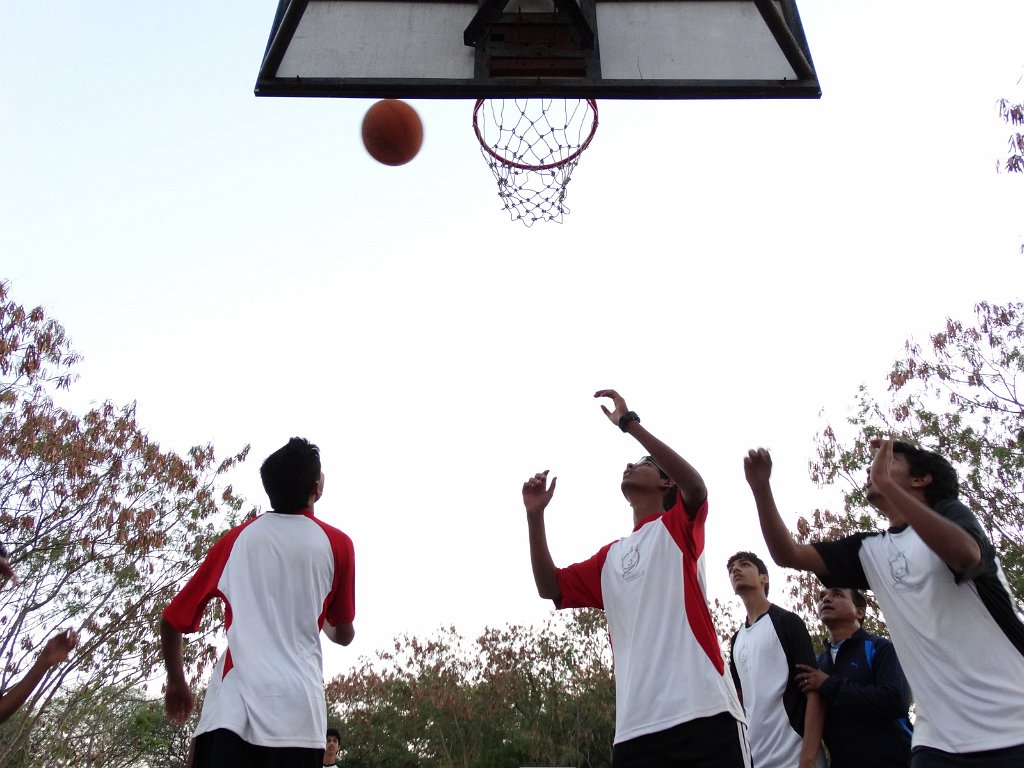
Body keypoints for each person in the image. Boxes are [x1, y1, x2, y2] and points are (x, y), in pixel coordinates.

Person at [745, 438, 1024, 767]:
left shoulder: (951, 516)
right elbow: (789, 554)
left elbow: (965, 556)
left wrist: (888, 485)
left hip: (1013, 722)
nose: (871, 469)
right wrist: (761, 489)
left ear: (920, 479)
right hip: (938, 742)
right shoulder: (870, 550)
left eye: (888, 462)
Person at [522, 390, 749, 768]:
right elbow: (550, 587)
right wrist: (534, 517)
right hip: (635, 731)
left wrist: (630, 425)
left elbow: (696, 487)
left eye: (644, 463)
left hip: (705, 711)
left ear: (666, 483)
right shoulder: (609, 558)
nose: (630, 464)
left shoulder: (677, 528)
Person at [160, 437, 356, 768]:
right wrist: (317, 612)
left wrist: (177, 682)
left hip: (230, 714)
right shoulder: (337, 545)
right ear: (316, 488)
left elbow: (171, 621)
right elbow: (344, 634)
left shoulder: (235, 541)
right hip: (299, 717)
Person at [726, 551, 825, 768]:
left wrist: (809, 757)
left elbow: (814, 691)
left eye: (744, 565)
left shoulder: (787, 622)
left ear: (764, 578)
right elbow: (739, 703)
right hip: (756, 758)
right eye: (731, 569)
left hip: (795, 756)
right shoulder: (736, 640)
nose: (736, 570)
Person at [797, 586, 912, 768]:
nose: (826, 599)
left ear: (859, 612)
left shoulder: (880, 648)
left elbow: (896, 699)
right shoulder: (818, 664)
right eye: (821, 597)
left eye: (837, 594)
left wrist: (828, 684)